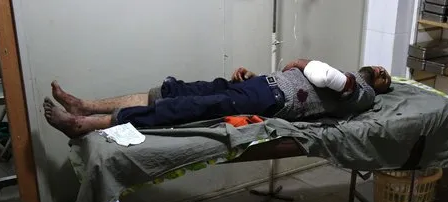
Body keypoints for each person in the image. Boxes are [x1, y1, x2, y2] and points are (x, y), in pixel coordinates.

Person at [43, 59, 391, 139]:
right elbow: (309, 80)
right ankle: (85, 105)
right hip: (262, 88)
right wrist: (253, 76)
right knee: (175, 90)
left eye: (384, 73)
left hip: (270, 99)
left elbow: (324, 77)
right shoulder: (352, 80)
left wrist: (301, 61)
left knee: (188, 108)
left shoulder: (363, 94)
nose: (380, 69)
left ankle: (85, 125)